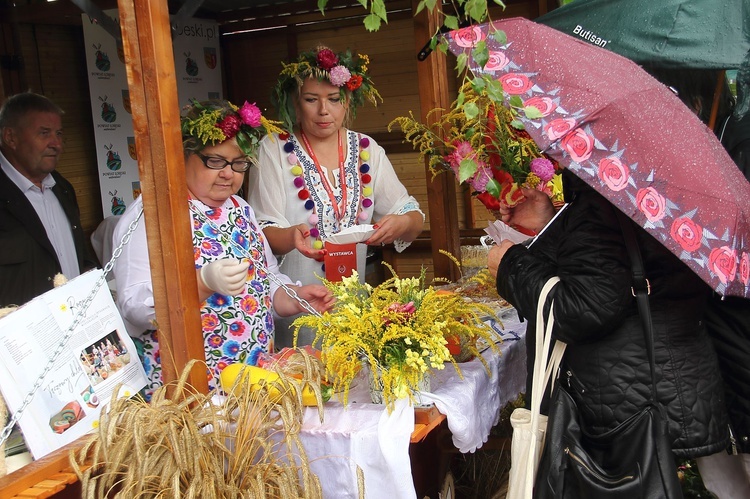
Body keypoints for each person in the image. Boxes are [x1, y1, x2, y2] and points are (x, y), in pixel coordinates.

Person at [487, 169, 729, 466]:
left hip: (628, 398)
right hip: (666, 377)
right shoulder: (656, 185)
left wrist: (511, 266)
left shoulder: (603, 200)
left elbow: (581, 310)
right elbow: (606, 263)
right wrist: (551, 221)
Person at [113, 99, 335, 398]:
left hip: (253, 383)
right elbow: (136, 307)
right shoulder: (152, 217)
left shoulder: (240, 208)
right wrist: (202, 284)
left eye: (238, 163)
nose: (228, 173)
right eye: (215, 161)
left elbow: (265, 281)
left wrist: (293, 297)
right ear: (182, 158)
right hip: (190, 392)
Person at [246, 46, 424, 347]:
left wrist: (401, 223)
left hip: (354, 306)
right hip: (296, 302)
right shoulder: (274, 149)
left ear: (349, 101)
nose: (323, 111)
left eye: (334, 99)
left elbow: (414, 216)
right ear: (295, 102)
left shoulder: (366, 149)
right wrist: (292, 236)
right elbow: (260, 233)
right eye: (311, 100)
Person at [650, 66, 750, 497]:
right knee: (720, 461)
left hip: (735, 326)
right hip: (711, 336)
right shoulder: (718, 134)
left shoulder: (738, 139)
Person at [0, 91, 96, 307]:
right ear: (10, 137)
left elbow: (80, 256)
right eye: (44, 133)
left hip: (77, 325)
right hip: (20, 336)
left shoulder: (62, 188)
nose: (57, 144)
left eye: (59, 133)